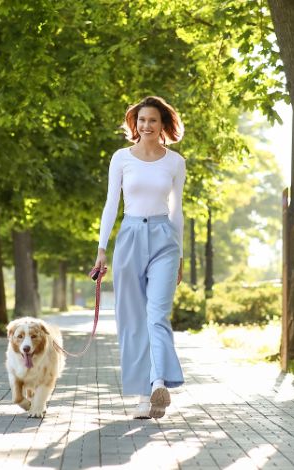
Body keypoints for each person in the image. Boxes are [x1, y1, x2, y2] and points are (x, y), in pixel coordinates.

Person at [93, 96, 186, 419]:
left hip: (164, 239)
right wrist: (101, 249)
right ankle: (143, 397)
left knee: (157, 315)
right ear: (135, 124)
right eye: (141, 120)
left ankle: (158, 381)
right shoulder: (121, 158)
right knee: (132, 320)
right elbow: (110, 205)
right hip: (130, 237)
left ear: (163, 126)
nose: (146, 126)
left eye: (153, 121)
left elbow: (177, 210)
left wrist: (181, 253)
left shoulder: (174, 162)